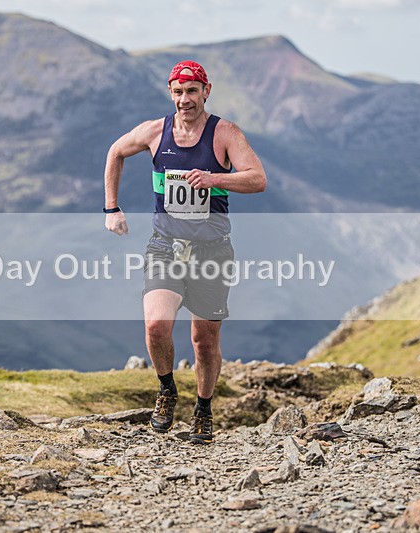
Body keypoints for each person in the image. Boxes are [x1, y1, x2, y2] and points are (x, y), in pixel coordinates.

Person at [104, 61, 266, 444]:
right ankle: (166, 390)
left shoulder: (224, 133)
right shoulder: (156, 132)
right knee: (156, 325)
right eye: (178, 92)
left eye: (192, 91)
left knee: (203, 340)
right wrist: (111, 208)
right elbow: (115, 151)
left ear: (206, 91)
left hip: (212, 251)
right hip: (165, 247)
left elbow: (257, 179)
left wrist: (215, 178)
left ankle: (203, 410)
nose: (184, 99)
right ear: (170, 93)